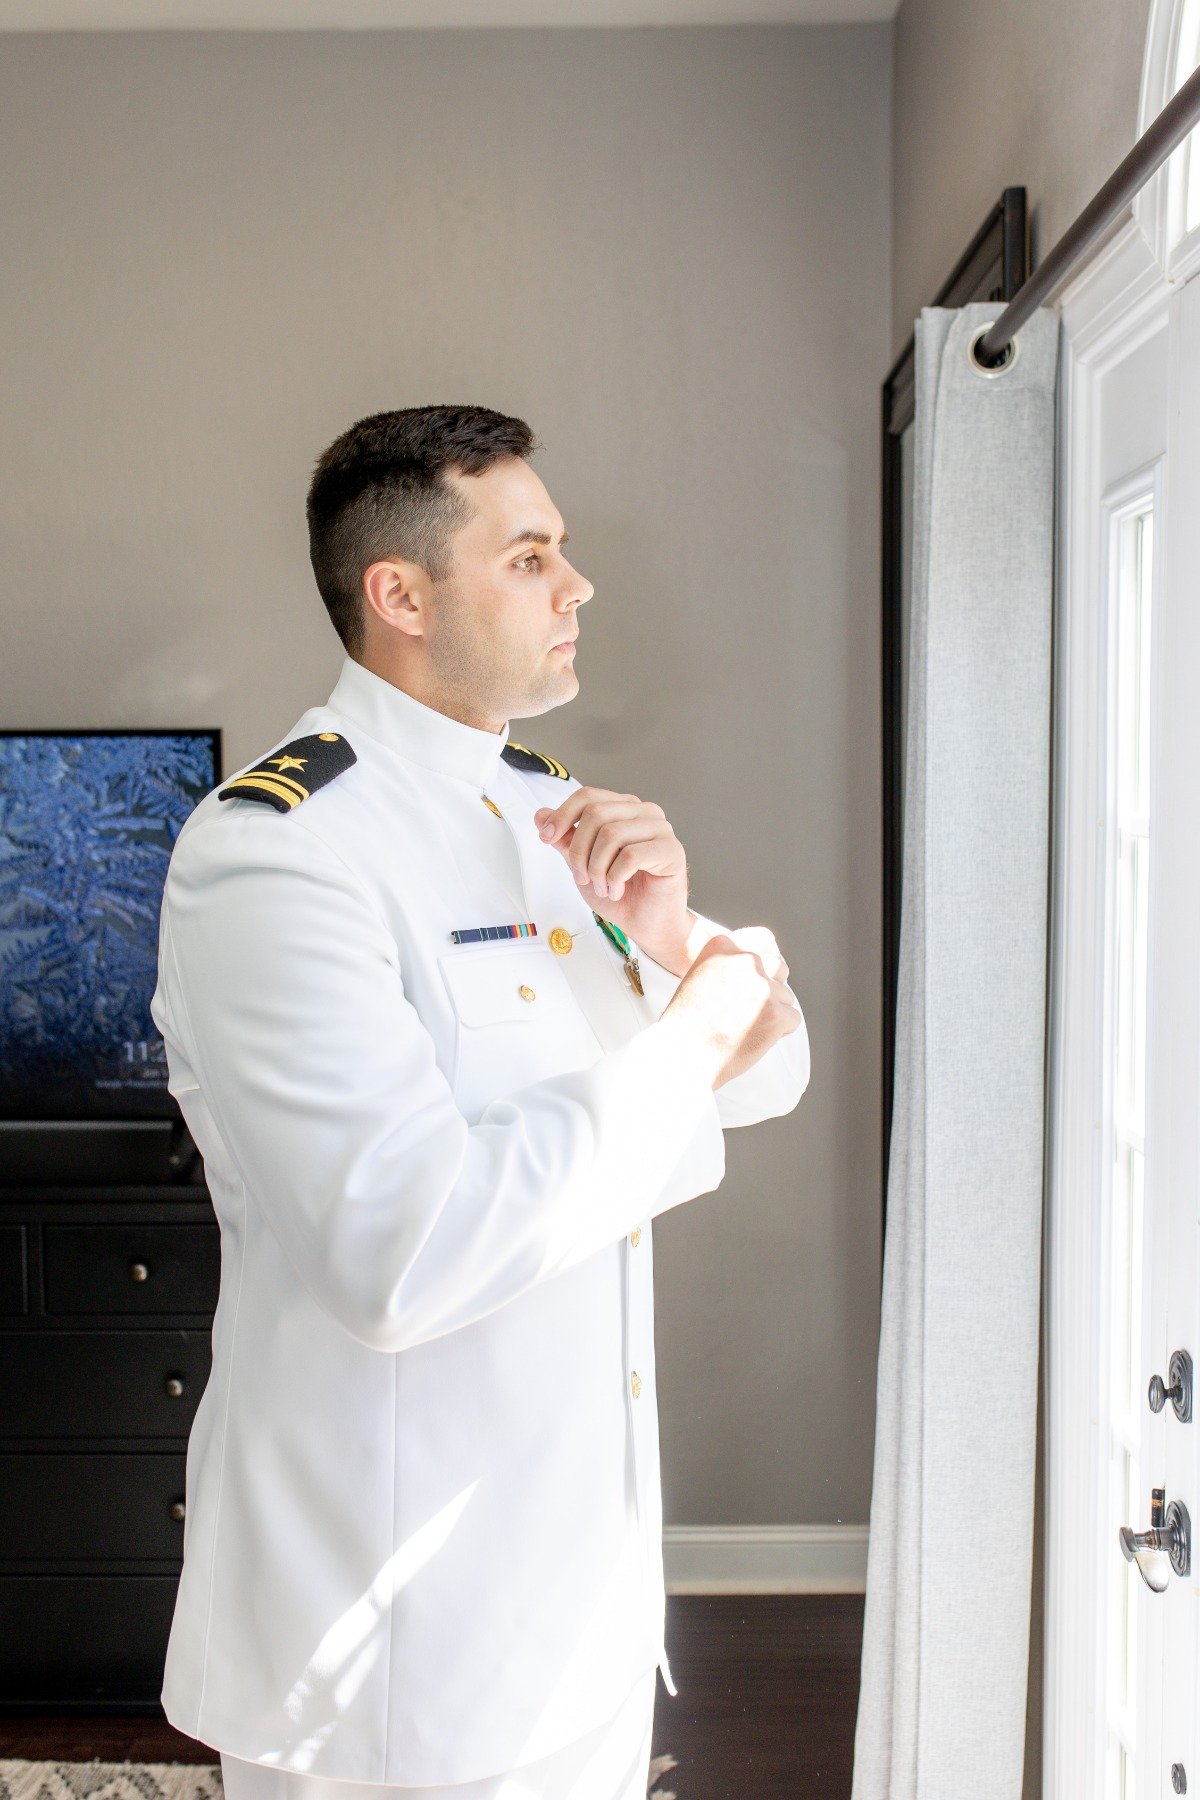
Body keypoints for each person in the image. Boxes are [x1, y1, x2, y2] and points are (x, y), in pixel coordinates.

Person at [150, 403, 810, 1800]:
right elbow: (401, 1253)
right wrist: (685, 1039)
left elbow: (770, 1071)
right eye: (528, 557)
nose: (577, 587)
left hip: (580, 1599)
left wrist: (681, 940)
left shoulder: (540, 805)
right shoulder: (277, 854)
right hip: (392, 1640)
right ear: (400, 594)